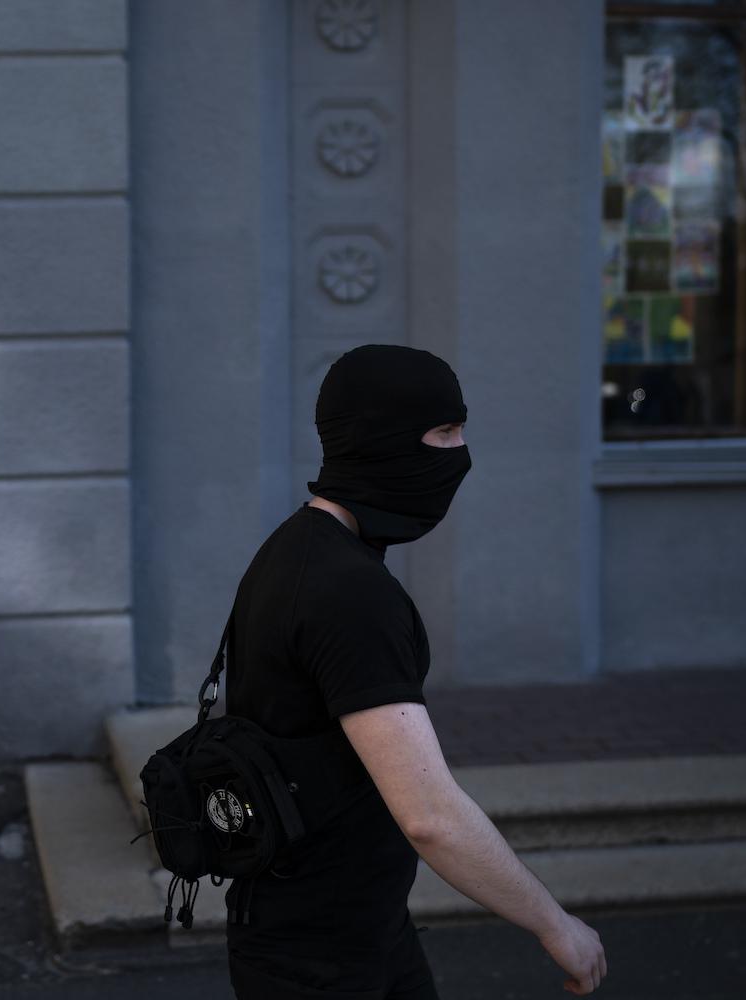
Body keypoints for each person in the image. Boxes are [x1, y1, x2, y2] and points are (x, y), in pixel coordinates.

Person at [222, 345, 606, 999]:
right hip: (321, 956)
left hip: (343, 929)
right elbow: (429, 814)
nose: (461, 453)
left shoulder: (292, 549)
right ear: (380, 438)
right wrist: (555, 925)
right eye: (445, 432)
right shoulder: (350, 593)